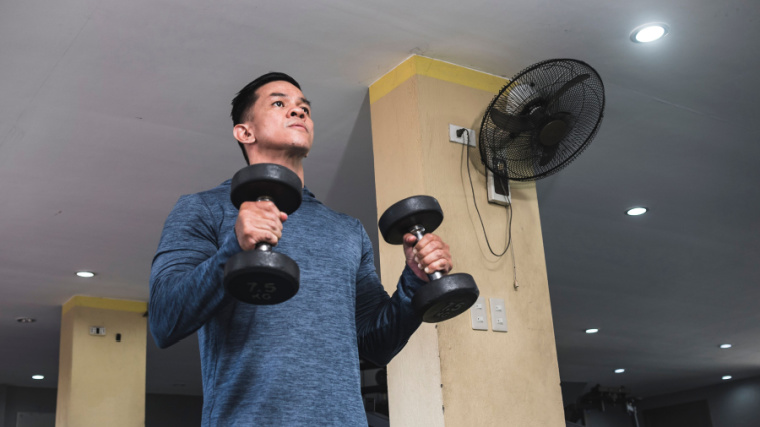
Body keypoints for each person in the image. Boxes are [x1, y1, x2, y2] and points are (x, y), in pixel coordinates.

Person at [149, 72, 454, 426]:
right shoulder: (204, 209)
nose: (298, 112)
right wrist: (234, 248)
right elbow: (164, 320)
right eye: (279, 103)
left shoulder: (346, 230)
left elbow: (376, 343)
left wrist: (414, 282)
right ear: (244, 132)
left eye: (304, 107)